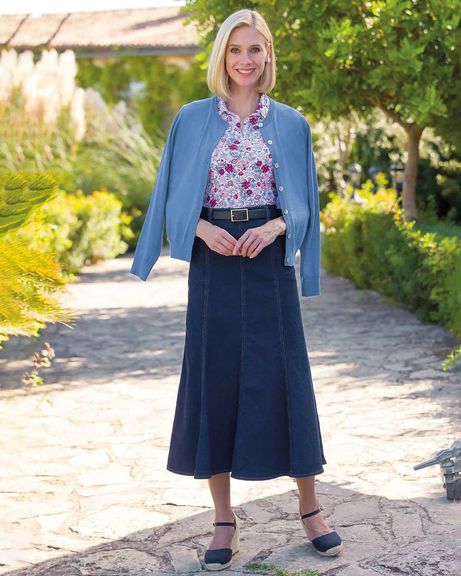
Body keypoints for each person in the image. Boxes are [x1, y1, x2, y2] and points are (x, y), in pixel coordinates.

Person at [130, 7, 342, 571]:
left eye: (254, 49)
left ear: (268, 54)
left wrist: (276, 228)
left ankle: (311, 507)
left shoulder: (293, 124)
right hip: (213, 262)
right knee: (215, 381)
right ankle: (224, 521)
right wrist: (199, 230)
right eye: (234, 50)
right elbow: (172, 191)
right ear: (221, 56)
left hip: (269, 259)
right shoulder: (192, 118)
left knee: (286, 380)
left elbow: (306, 203)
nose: (244, 60)